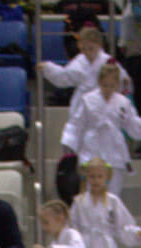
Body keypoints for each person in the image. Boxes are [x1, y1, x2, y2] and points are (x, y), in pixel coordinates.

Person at [45, 26, 132, 203]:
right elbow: (64, 77)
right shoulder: (80, 62)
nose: (87, 52)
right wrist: (48, 68)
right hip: (86, 114)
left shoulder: (109, 62)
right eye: (84, 49)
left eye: (91, 48)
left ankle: (109, 205)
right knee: (87, 169)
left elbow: (123, 83)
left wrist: (120, 89)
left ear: (99, 45)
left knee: (110, 178)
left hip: (106, 120)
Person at [59, 62, 141, 199]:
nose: (108, 89)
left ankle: (112, 213)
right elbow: (76, 124)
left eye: (112, 86)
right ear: (99, 82)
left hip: (114, 150)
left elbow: (133, 123)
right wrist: (69, 142)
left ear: (117, 85)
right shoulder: (88, 100)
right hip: (92, 149)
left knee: (113, 195)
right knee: (91, 191)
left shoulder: (123, 102)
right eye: (105, 85)